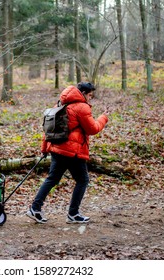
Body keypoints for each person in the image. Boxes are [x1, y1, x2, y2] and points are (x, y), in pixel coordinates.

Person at [26, 82, 109, 224]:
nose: (90, 98)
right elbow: (93, 129)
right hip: (72, 152)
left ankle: (35, 208)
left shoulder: (60, 104)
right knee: (82, 180)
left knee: (52, 179)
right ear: (82, 93)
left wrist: (45, 148)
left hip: (57, 150)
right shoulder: (81, 107)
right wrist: (104, 117)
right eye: (89, 95)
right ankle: (73, 213)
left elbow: (48, 130)